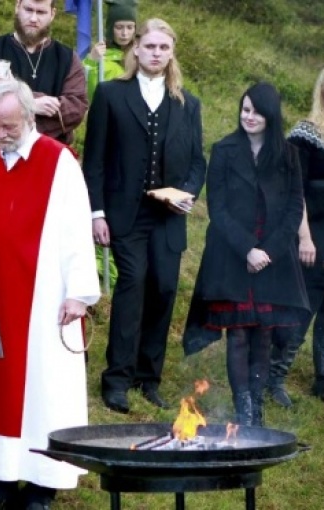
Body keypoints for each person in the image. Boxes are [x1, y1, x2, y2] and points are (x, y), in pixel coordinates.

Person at [0, 79, 100, 510]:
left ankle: (41, 486)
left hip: (44, 295)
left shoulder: (58, 162)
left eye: (9, 126)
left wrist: (79, 294)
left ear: (30, 119)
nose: (0, 134)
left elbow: (75, 232)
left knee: (42, 391)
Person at [82, 18, 206, 414]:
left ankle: (147, 378)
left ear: (171, 54)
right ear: (136, 49)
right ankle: (116, 378)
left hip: (168, 216)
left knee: (165, 288)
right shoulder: (110, 94)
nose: (156, 53)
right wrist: (96, 212)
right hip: (126, 212)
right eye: (149, 46)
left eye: (163, 48)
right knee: (132, 284)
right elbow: (96, 159)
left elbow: (197, 163)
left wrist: (187, 194)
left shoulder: (187, 103)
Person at [182, 82, 309, 426]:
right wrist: (247, 250)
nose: (249, 116)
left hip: (273, 259)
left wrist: (268, 251)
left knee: (263, 333)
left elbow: (295, 207)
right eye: (245, 109)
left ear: (271, 115)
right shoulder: (223, 150)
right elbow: (218, 209)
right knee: (238, 333)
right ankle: (244, 409)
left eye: (257, 111)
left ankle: (257, 403)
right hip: (232, 256)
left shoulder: (288, 154)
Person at [267, 63, 324, 408]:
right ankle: (274, 377)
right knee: (305, 305)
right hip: (314, 230)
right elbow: (293, 189)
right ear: (321, 91)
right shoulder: (306, 133)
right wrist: (304, 237)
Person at [0, 0, 88, 144]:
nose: (33, 19)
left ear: (52, 14)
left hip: (50, 156)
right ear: (17, 7)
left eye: (41, 12)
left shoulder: (68, 58)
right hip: (0, 152)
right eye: (29, 10)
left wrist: (12, 93)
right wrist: (32, 104)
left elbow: (75, 109)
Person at [81, 0, 137, 101]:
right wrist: (92, 61)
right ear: (111, 28)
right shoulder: (99, 56)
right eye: (119, 27)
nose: (125, 33)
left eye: (130, 27)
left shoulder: (142, 54)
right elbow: (87, 92)